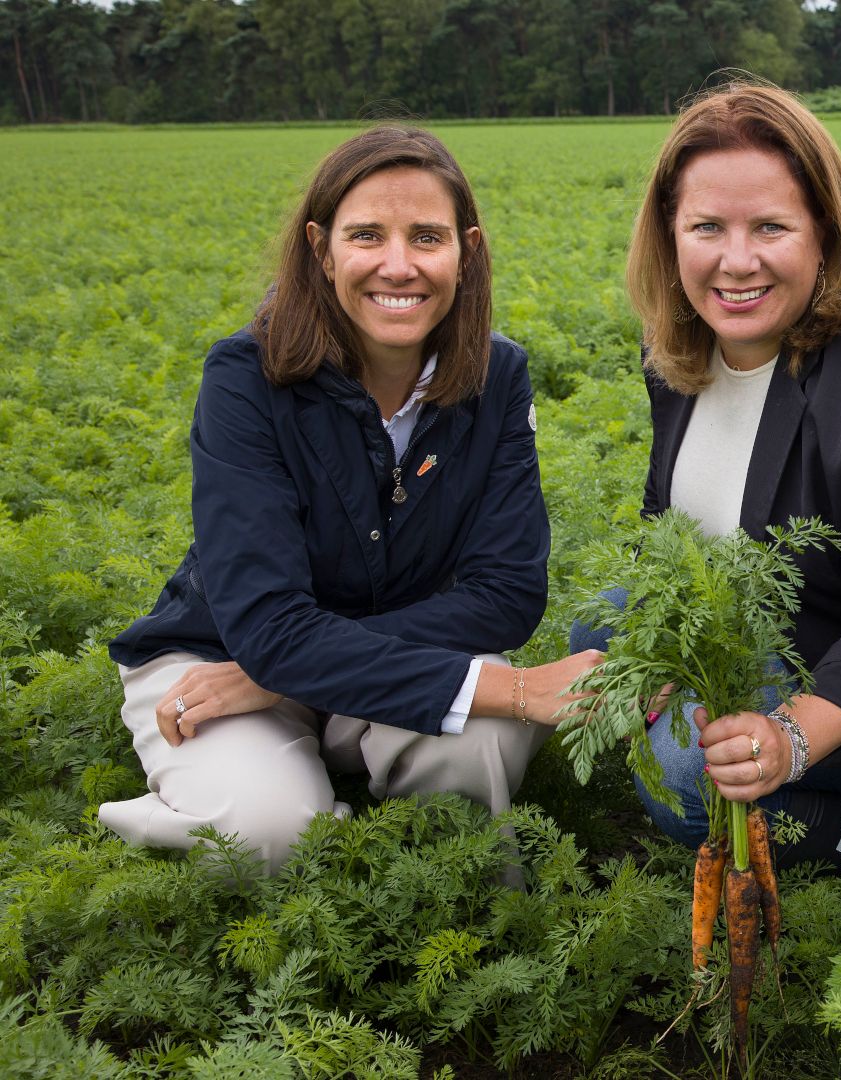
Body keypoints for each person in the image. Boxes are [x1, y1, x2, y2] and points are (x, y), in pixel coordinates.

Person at [100, 126, 601, 874]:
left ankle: (359, 797)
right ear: (320, 248)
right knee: (269, 832)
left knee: (482, 749)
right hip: (217, 657)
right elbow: (265, 626)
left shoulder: (498, 378)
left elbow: (507, 597)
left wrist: (290, 665)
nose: (398, 265)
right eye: (367, 234)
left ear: (467, 251)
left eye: (426, 237)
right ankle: (206, 802)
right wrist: (521, 688)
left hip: (278, 664)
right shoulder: (246, 379)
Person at [573, 83, 841, 866]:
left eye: (771, 226)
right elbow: (668, 527)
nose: (737, 261)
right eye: (707, 226)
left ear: (825, 235)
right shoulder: (676, 349)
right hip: (748, 624)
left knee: (685, 778)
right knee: (596, 629)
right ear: (670, 235)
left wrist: (788, 739)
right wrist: (665, 644)